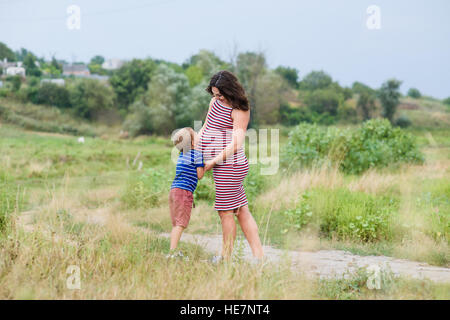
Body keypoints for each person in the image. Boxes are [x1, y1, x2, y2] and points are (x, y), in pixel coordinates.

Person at [197, 70, 264, 263]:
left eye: (220, 94)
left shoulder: (240, 109)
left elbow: (236, 143)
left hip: (231, 166)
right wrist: (194, 148)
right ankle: (259, 258)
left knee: (225, 212)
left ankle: (225, 259)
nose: (217, 98)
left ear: (230, 89)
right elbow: (205, 128)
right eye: (214, 94)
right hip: (221, 166)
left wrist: (211, 162)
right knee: (242, 210)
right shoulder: (215, 102)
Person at [167, 127, 204, 259]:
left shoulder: (182, 155)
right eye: (196, 134)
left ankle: (173, 251)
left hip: (174, 190)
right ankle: (172, 253)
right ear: (193, 143)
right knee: (180, 224)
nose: (198, 134)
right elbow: (200, 175)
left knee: (176, 224)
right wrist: (208, 164)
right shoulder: (197, 154)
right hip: (183, 192)